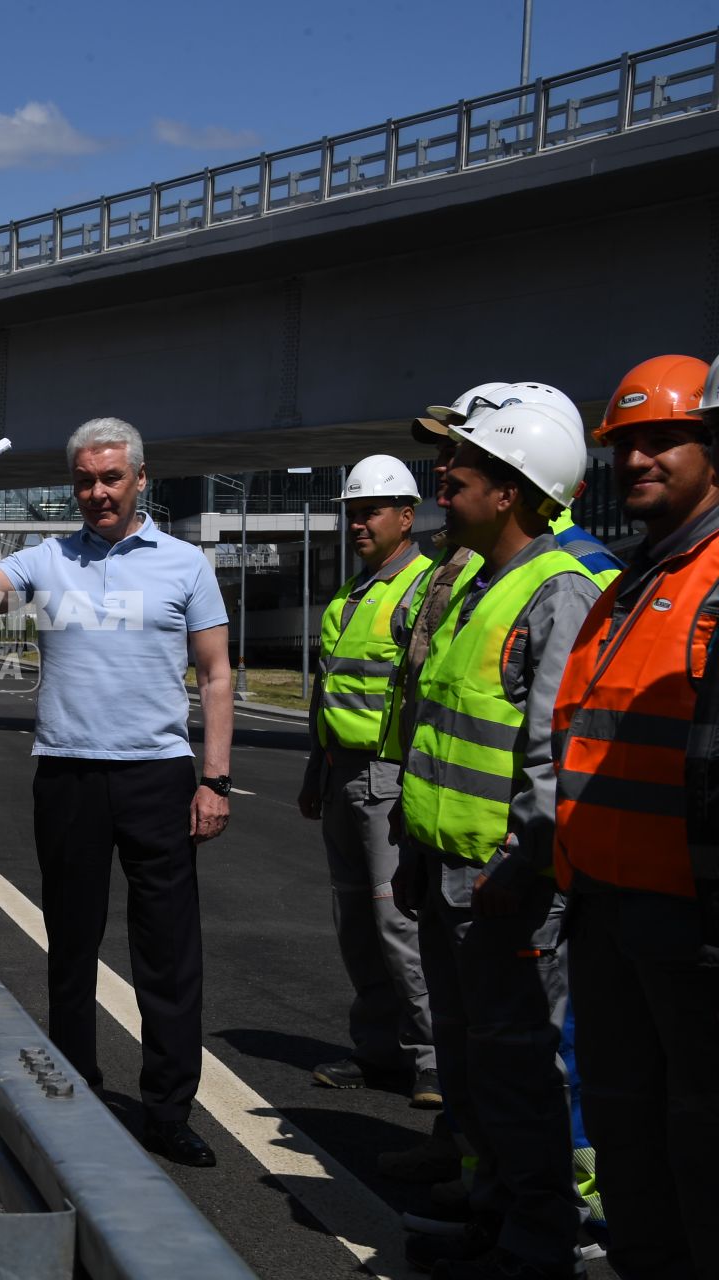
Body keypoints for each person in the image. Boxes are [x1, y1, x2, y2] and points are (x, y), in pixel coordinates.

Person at [0, 417, 233, 1167]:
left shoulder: (185, 564)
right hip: (67, 771)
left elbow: (217, 675)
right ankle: (75, 1093)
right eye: (85, 481)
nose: (97, 493)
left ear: (139, 479)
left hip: (157, 774)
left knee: (167, 954)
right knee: (69, 947)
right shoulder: (47, 558)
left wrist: (215, 778)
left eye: (111, 479)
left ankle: (167, 1111)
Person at [395, 401, 603, 1280]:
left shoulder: (559, 589)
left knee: (521, 1074)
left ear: (513, 492)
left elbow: (556, 757)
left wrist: (522, 869)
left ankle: (537, 1242)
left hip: (505, 883)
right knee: (476, 1067)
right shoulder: (477, 580)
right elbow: (438, 732)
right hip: (450, 872)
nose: (444, 480)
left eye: (464, 470)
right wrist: (414, 850)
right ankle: (493, 1217)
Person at [553, 353, 719, 1279]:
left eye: (666, 440)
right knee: (628, 1128)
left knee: (699, 1143)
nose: (640, 460)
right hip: (609, 908)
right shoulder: (630, 587)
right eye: (627, 445)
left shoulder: (711, 581)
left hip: (689, 925)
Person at [300, 455, 440, 1107]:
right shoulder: (352, 595)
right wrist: (314, 769)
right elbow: (328, 691)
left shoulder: (424, 589)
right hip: (340, 776)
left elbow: (424, 698)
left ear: (406, 517)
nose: (358, 524)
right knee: (356, 921)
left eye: (371, 512)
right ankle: (378, 1050)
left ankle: (432, 1058)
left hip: (390, 779)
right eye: (352, 513)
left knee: (397, 925)